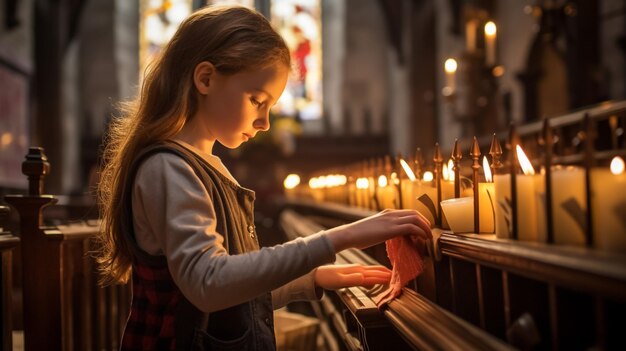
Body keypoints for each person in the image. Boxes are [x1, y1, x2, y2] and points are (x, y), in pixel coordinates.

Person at [96, 5, 431, 350]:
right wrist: (337, 239)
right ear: (206, 79)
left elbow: (226, 292)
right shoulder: (168, 168)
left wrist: (309, 280)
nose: (265, 123)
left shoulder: (202, 164)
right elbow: (209, 284)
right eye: (257, 100)